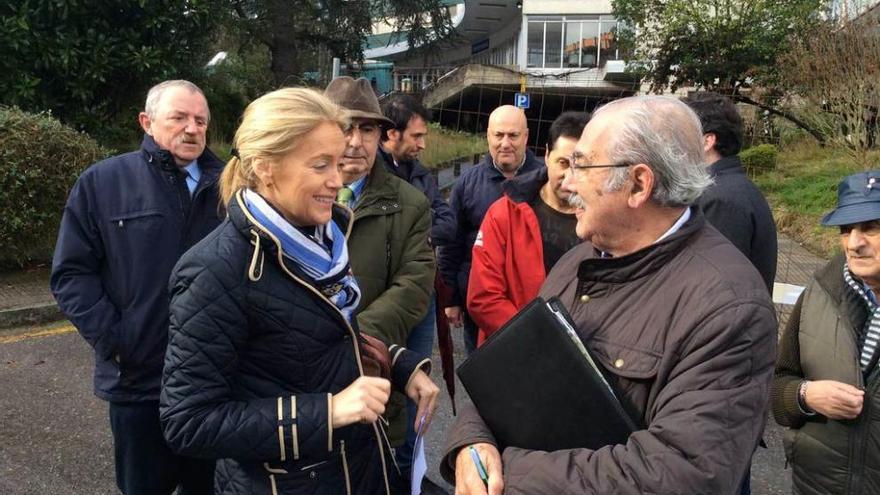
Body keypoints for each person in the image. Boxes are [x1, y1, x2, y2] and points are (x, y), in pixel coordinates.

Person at [443, 95, 777, 494]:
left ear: (638, 184)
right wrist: (471, 443)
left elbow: (680, 476)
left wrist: (508, 470)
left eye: (582, 166)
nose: (566, 182)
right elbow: (509, 377)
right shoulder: (578, 261)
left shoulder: (728, 307)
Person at [159, 87, 440, 494]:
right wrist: (328, 412)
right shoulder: (213, 270)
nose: (336, 179)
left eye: (338, 162)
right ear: (266, 167)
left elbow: (315, 337)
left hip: (359, 471)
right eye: (320, 165)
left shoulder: (325, 240)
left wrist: (397, 362)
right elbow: (188, 423)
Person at [50, 80, 221, 495]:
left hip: (216, 383)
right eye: (179, 118)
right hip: (140, 385)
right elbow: (72, 273)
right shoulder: (103, 183)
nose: (192, 129)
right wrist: (117, 340)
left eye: (200, 120)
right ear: (147, 122)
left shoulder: (232, 187)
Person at [324, 77, 437, 461]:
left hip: (376, 370)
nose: (355, 141)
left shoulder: (411, 204)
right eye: (344, 127)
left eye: (367, 129)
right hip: (307, 381)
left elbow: (414, 286)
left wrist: (351, 341)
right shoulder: (296, 197)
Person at [771, 171, 880, 494]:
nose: (854, 243)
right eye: (846, 229)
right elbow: (778, 387)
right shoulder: (820, 292)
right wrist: (806, 395)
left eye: (871, 227)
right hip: (815, 485)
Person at [379, 94, 454, 474]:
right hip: (382, 296)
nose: (423, 144)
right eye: (417, 136)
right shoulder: (370, 174)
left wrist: (411, 235)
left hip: (422, 298)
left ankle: (410, 472)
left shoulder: (422, 173)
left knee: (418, 385)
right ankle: (379, 469)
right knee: (377, 382)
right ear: (391, 133)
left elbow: (447, 222)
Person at [467, 111, 588, 345]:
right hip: (516, 352)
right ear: (546, 156)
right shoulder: (504, 213)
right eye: (563, 163)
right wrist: (538, 338)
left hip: (582, 356)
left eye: (581, 166)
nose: (570, 176)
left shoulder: (604, 222)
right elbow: (483, 297)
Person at [437, 105, 544, 353]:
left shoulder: (544, 181)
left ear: (526, 137)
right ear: (488, 137)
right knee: (485, 379)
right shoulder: (468, 182)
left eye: (513, 135)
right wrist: (451, 299)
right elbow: (451, 243)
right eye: (498, 135)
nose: (505, 143)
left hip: (529, 305)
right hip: (479, 306)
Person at [684, 91, 777, 292]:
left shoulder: (721, 199)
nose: (674, 145)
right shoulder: (730, 187)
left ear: (706, 142)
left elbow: (715, 286)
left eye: (682, 135)